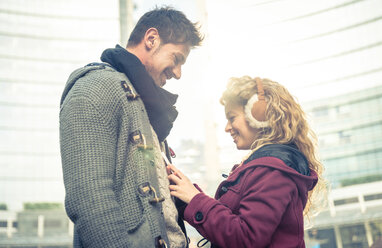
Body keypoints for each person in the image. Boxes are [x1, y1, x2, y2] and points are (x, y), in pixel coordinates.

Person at [59, 7, 203, 248]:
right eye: (176, 59)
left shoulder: (141, 103)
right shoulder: (95, 87)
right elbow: (91, 201)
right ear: (151, 39)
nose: (178, 73)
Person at [167, 76, 326, 248]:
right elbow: (227, 220)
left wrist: (195, 199)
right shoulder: (265, 168)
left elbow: (246, 238)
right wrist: (186, 198)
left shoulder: (273, 172)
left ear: (259, 115)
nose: (227, 127)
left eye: (232, 117)